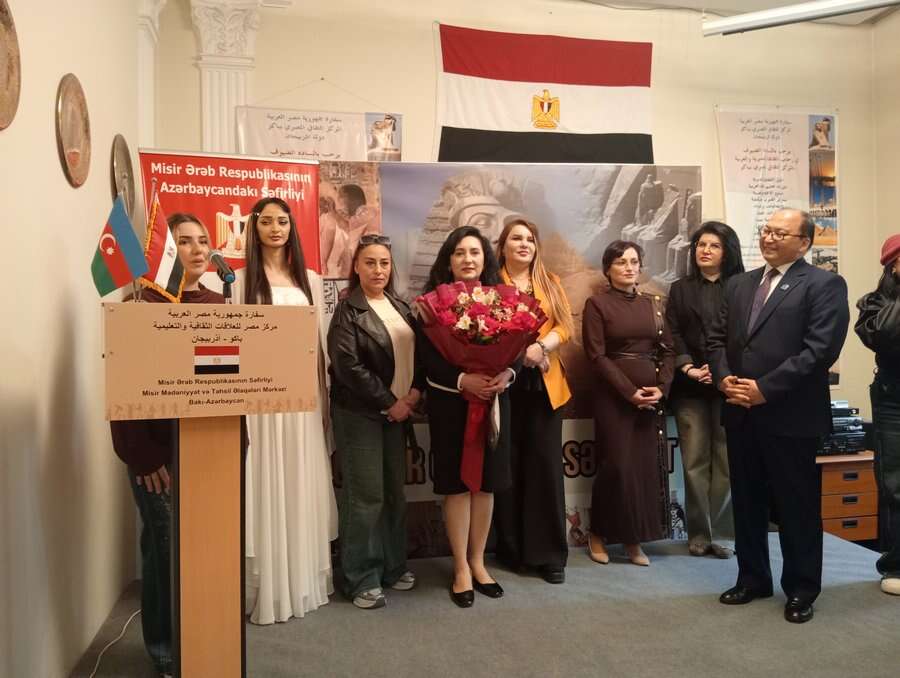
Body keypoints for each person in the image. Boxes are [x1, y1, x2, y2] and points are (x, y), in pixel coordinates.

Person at [707, 208, 849, 623]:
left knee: (795, 507)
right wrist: (724, 379)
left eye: (779, 233)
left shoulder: (824, 284)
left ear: (804, 243)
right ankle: (752, 579)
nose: (768, 238)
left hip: (791, 416)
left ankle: (801, 589)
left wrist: (764, 389)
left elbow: (820, 350)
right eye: (766, 230)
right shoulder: (740, 283)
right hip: (739, 410)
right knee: (747, 503)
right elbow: (716, 339)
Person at [110, 213, 224, 677]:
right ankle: (164, 647)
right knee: (166, 549)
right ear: (165, 251)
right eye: (184, 242)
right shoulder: (140, 306)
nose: (197, 250)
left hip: (211, 448)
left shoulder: (220, 303)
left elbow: (230, 381)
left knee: (207, 549)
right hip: (157, 454)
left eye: (202, 241)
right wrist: (142, 455)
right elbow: (123, 387)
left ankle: (204, 638)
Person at [239, 196, 338, 625]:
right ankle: (266, 583)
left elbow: (318, 348)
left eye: (282, 221)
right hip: (260, 403)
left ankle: (300, 579)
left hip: (302, 402)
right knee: (267, 478)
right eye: (267, 221)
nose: (275, 228)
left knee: (299, 478)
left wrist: (322, 400)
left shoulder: (310, 281)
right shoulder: (239, 281)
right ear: (255, 227)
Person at [419, 225, 514, 607]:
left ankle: (478, 562)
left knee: (486, 484)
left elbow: (516, 353)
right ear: (448, 261)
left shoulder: (504, 301)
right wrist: (463, 380)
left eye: (474, 252)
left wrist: (508, 374)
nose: (468, 259)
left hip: (492, 403)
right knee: (458, 486)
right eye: (459, 252)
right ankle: (460, 567)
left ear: (485, 258)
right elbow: (427, 361)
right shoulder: (431, 304)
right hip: (451, 406)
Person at [327, 233, 424, 609]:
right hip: (361, 414)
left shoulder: (401, 306)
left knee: (393, 493)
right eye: (370, 262)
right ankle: (360, 578)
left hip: (398, 413)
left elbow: (420, 356)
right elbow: (348, 367)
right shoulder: (347, 311)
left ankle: (393, 567)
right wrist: (389, 402)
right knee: (366, 497)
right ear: (356, 266)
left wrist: (412, 396)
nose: (378, 270)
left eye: (384, 262)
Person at [581, 240, 675, 567]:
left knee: (642, 469)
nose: (629, 267)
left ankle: (633, 541)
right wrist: (629, 392)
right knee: (616, 467)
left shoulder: (653, 304)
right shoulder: (597, 304)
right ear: (608, 269)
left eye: (634, 261)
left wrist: (661, 388)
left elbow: (668, 350)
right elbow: (596, 355)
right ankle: (597, 533)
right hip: (613, 397)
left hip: (650, 397)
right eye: (621, 262)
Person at [492, 219, 573, 584]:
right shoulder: (490, 284)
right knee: (508, 466)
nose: (524, 244)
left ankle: (550, 555)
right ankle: (514, 551)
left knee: (545, 467)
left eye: (530, 239)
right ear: (503, 246)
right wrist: (518, 353)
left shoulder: (550, 282)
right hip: (504, 384)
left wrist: (541, 347)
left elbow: (565, 326)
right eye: (516, 238)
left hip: (544, 384)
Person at [665, 222, 745, 559]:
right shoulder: (680, 289)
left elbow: (746, 335)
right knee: (694, 461)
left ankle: (724, 534)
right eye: (700, 244)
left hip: (730, 385)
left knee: (727, 461)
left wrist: (721, 370)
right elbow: (673, 332)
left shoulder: (743, 286)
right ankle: (698, 533)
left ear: (727, 252)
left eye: (714, 245)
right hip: (690, 386)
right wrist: (688, 366)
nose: (705, 250)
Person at [855, 233, 900, 597]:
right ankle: (896, 564)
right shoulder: (873, 304)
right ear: (893, 265)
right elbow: (883, 335)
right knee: (895, 484)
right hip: (892, 399)